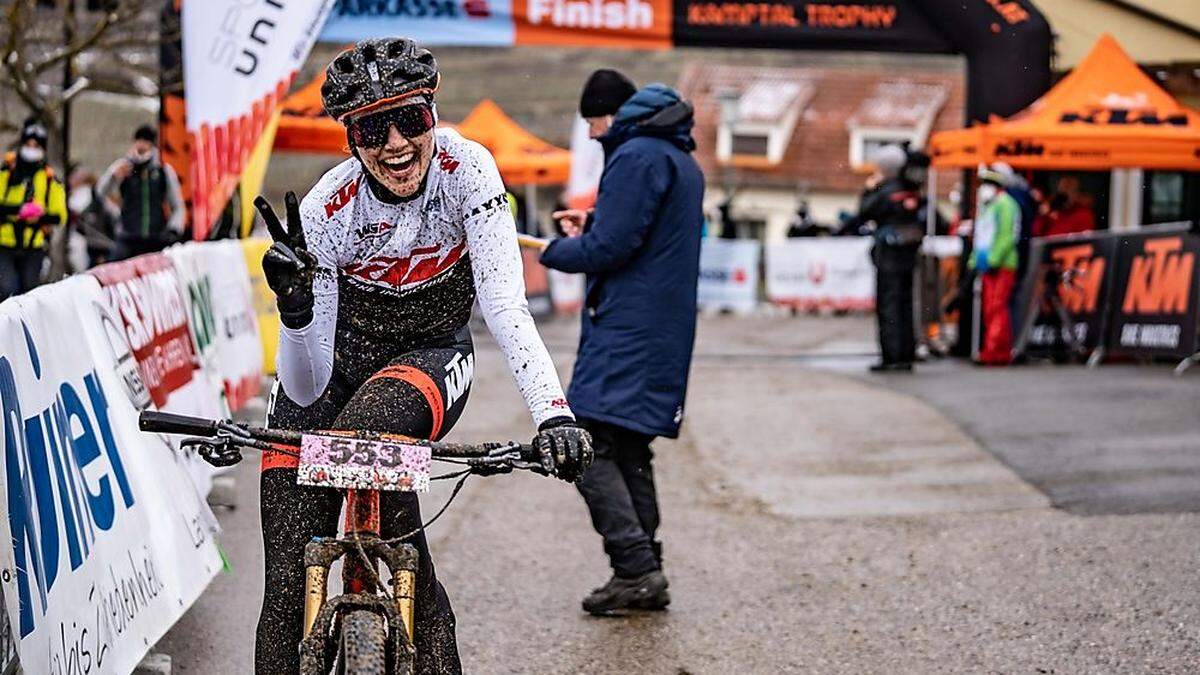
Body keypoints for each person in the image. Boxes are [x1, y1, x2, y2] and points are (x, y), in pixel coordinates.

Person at [253, 38, 592, 673]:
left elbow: (504, 306)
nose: (396, 144)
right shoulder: (329, 208)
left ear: (433, 112)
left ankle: (423, 623)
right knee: (285, 585)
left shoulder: (470, 172)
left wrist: (554, 415)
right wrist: (295, 314)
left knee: (370, 437)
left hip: (427, 358)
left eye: (411, 119)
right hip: (333, 367)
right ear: (351, 139)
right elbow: (304, 386)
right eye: (372, 128)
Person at [542, 73, 704, 615]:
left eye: (592, 122)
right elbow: (639, 233)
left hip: (629, 329)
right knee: (629, 447)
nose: (590, 135)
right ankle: (645, 568)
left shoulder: (636, 156)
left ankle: (635, 567)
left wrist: (554, 250)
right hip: (657, 327)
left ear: (614, 114)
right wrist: (591, 224)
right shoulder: (674, 156)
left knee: (582, 443)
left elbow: (612, 248)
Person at [855, 145, 929, 372]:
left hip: (889, 256)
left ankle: (892, 355)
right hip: (908, 253)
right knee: (906, 304)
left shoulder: (885, 191)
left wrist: (869, 189)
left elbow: (864, 211)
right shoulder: (912, 191)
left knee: (889, 306)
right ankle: (906, 352)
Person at [0, 118, 66, 300]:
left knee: (29, 292)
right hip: (4, 244)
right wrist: (17, 211)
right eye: (28, 144)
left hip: (34, 246)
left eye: (36, 145)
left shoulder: (49, 179)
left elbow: (59, 215)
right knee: (7, 289)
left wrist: (39, 217)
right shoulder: (5, 174)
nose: (31, 149)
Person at [97, 124, 185, 260]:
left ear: (152, 145)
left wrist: (173, 229)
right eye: (139, 140)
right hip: (128, 237)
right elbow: (100, 192)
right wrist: (113, 176)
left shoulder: (163, 170)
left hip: (156, 238)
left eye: (146, 141)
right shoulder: (123, 167)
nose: (142, 145)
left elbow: (178, 204)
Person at [970, 165, 1022, 365]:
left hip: (1002, 265)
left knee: (997, 307)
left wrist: (994, 260)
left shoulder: (1006, 205)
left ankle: (995, 351)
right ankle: (994, 350)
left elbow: (1006, 236)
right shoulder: (989, 206)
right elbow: (982, 237)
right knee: (990, 308)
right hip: (987, 265)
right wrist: (974, 260)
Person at [67, 167, 117, 267]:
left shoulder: (84, 192)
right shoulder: (97, 194)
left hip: (92, 240)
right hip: (101, 239)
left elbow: (75, 208)